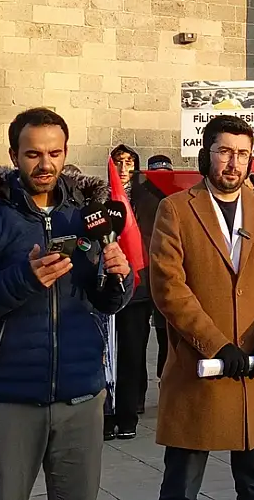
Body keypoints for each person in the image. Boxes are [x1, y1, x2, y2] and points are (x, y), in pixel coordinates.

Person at [0, 108, 134, 500]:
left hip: (81, 398)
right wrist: (24, 279)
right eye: (33, 154)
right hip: (9, 401)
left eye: (55, 153)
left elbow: (107, 302)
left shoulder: (85, 218)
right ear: (14, 155)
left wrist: (119, 276)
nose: (46, 164)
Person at [150, 115, 254, 500]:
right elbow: (169, 287)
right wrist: (215, 343)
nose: (234, 163)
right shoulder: (176, 209)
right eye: (225, 152)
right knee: (180, 486)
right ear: (207, 155)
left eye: (243, 154)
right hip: (199, 371)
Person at [104, 144, 154, 440]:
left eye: (129, 162)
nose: (123, 167)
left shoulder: (148, 198)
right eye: (118, 162)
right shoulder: (99, 197)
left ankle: (128, 414)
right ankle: (107, 415)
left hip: (138, 287)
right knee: (106, 355)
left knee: (132, 353)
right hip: (107, 287)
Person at [144, 154, 175, 381]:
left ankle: (166, 380)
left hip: (170, 272)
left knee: (168, 335)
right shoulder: (141, 194)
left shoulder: (178, 196)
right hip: (145, 271)